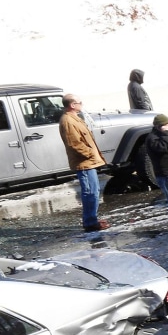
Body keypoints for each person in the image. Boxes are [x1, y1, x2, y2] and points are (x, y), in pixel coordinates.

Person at [58, 94, 109, 232]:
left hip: (88, 162)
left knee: (94, 191)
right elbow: (74, 144)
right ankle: (90, 222)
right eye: (80, 102)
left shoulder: (75, 119)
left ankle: (92, 219)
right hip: (84, 163)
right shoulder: (68, 121)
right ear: (72, 105)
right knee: (90, 192)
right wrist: (90, 154)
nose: (82, 104)